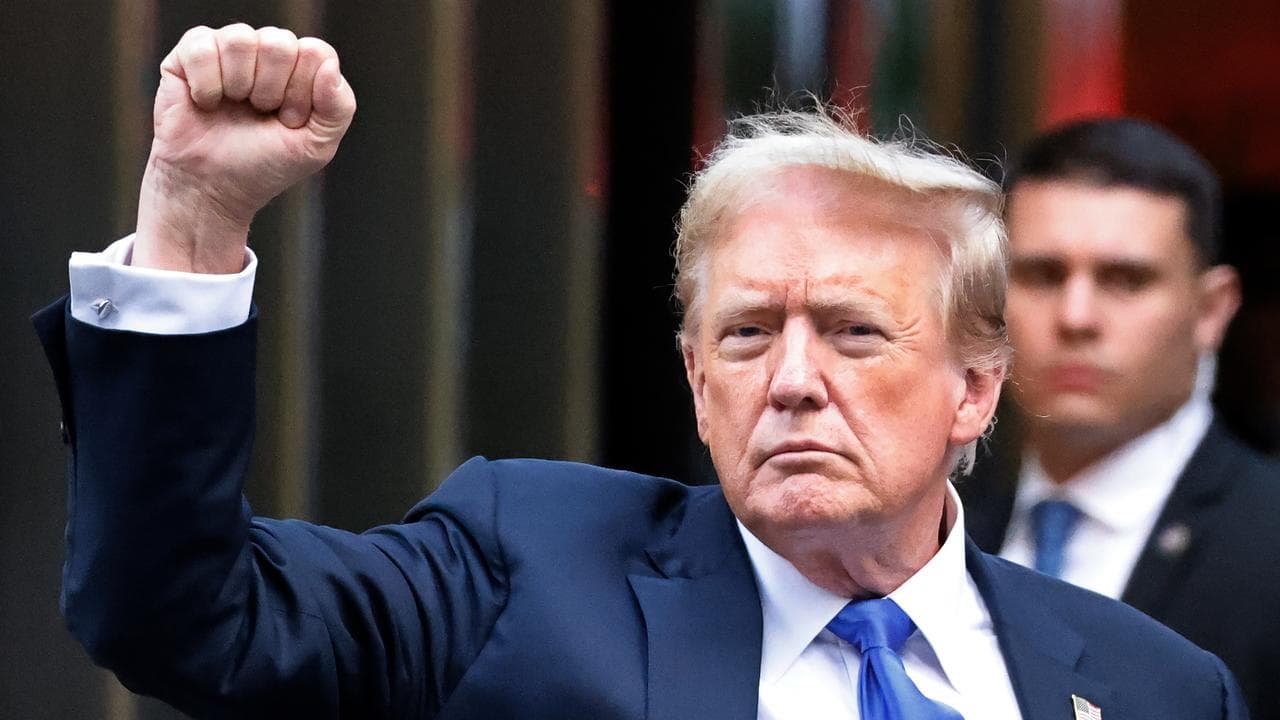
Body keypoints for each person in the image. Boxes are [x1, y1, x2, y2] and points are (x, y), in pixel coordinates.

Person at [35, 24, 1246, 719]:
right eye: (744, 333)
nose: (790, 378)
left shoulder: (1154, 687)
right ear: (692, 376)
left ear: (974, 390)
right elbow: (177, 614)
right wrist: (194, 215)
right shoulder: (530, 571)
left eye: (854, 332)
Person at [961, 117, 1280, 719]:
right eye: (1042, 275)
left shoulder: (1266, 544)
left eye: (1125, 279)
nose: (1076, 316)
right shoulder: (938, 525)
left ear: (1212, 311)